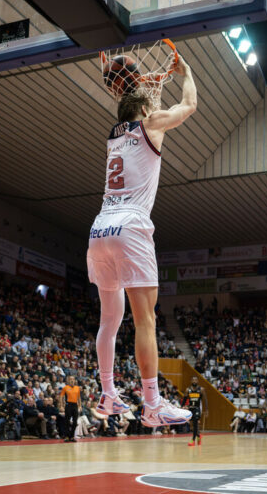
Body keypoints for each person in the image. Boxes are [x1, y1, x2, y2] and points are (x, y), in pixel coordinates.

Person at [87, 55, 197, 428]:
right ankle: (152, 404)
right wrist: (187, 73)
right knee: (145, 320)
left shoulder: (113, 136)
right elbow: (190, 105)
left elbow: (130, 103)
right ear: (146, 108)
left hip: (100, 228)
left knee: (109, 320)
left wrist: (125, 82)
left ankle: (107, 394)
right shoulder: (151, 123)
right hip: (131, 227)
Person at [184, 376, 207, 446]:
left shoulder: (201, 389)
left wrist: (206, 410)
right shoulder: (188, 390)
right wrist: (182, 406)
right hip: (190, 408)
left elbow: (205, 400)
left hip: (198, 408)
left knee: (195, 423)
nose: (194, 381)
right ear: (191, 381)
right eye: (193, 380)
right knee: (192, 425)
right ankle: (198, 435)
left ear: (198, 381)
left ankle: (193, 440)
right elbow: (184, 398)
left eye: (195, 380)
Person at [59, 376, 81, 442]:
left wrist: (80, 406)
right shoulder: (65, 388)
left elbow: (79, 398)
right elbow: (61, 397)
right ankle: (67, 436)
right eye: (70, 379)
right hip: (68, 405)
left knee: (75, 422)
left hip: (75, 405)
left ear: (74, 380)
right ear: (68, 380)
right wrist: (61, 406)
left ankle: (72, 436)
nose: (71, 380)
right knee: (67, 421)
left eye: (73, 379)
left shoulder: (77, 388)